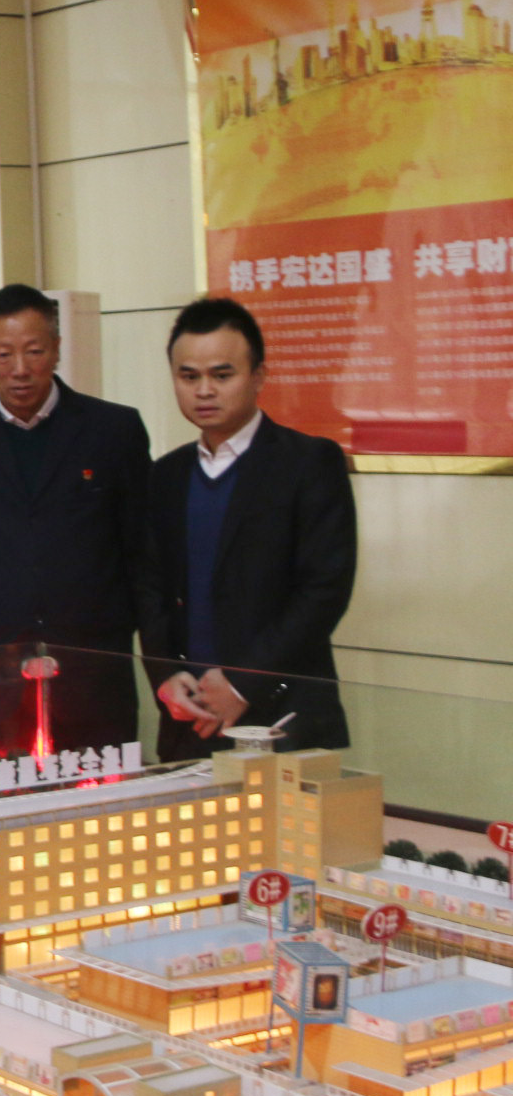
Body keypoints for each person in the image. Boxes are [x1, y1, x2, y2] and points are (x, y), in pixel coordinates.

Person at [0, 283, 150, 757]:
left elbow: (142, 547)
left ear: (57, 349)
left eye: (34, 351)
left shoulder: (113, 430)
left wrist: (106, 623)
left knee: (101, 793)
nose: (20, 369)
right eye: (3, 354)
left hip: (93, 666)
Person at [139, 297, 354, 760]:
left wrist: (241, 683)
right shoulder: (165, 474)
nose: (204, 391)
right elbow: (150, 588)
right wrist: (165, 676)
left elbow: (324, 590)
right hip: (190, 718)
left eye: (222, 375)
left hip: (283, 716)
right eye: (188, 377)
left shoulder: (308, 463)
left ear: (258, 376)